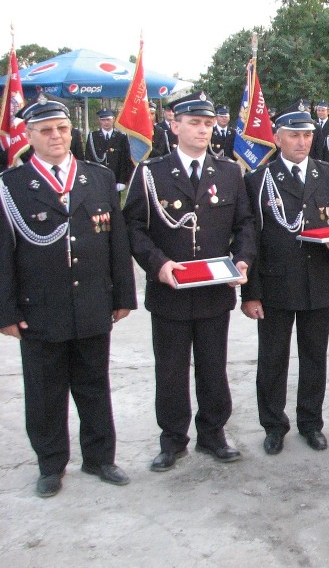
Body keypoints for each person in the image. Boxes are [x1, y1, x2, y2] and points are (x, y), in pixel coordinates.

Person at [0, 96, 137, 497]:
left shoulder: (95, 177)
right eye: (45, 130)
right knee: (45, 391)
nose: (56, 136)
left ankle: (100, 458)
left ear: (71, 131)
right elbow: (2, 256)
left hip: (94, 302)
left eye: (62, 129)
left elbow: (117, 242)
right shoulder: (11, 187)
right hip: (40, 309)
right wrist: (5, 311)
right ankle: (50, 464)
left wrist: (123, 294)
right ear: (29, 136)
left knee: (95, 385)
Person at [123, 92, 256, 471]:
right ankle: (172, 440)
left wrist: (243, 261)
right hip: (171, 291)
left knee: (214, 366)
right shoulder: (151, 173)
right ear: (174, 124)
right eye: (194, 122)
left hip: (215, 290)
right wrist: (158, 264)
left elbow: (245, 223)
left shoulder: (229, 171)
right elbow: (133, 226)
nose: (202, 129)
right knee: (171, 369)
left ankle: (213, 434)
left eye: (208, 123)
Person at [242, 103, 329, 454]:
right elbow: (250, 239)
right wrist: (250, 293)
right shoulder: (258, 180)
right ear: (277, 138)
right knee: (272, 359)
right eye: (294, 135)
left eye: (307, 134)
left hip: (317, 282)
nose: (302, 141)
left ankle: (311, 422)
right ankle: (274, 425)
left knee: (315, 357)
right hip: (275, 283)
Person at [85, 109, 133, 191]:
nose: (106, 122)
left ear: (113, 119)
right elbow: (88, 159)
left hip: (116, 179)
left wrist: (122, 180)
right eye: (103, 120)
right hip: (98, 179)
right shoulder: (93, 137)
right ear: (99, 121)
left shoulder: (121, 137)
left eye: (108, 119)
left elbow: (125, 160)